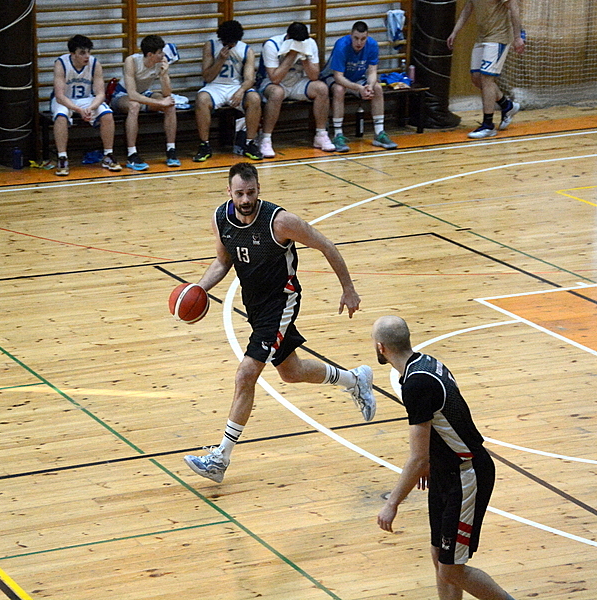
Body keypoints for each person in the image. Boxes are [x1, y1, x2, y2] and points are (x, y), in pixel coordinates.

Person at [183, 162, 375, 483]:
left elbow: (326, 245)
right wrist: (198, 290)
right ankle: (355, 380)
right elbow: (222, 262)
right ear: (229, 192)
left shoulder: (280, 221)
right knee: (291, 372)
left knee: (246, 374)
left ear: (259, 189)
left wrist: (348, 289)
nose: (246, 199)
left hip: (281, 301)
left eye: (251, 192)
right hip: (255, 305)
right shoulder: (221, 219)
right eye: (239, 193)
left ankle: (220, 458)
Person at [373, 316, 516, 600]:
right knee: (439, 553)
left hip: (467, 475)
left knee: (451, 570)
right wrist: (431, 461)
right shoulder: (425, 363)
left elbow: (417, 458)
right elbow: (443, 422)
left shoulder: (416, 384)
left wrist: (392, 504)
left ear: (381, 347)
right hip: (445, 471)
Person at [447, 0, 525, 139]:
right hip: (482, 37)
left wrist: (518, 37)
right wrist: (455, 31)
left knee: (486, 79)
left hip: (498, 37)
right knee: (477, 79)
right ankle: (507, 105)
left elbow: (514, 7)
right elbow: (467, 9)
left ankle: (488, 125)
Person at [256, 22, 335, 158]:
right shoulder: (272, 45)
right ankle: (266, 139)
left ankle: (321, 134)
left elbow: (314, 76)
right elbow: (275, 78)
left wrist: (304, 57)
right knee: (277, 93)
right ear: (288, 37)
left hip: (297, 81)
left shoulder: (310, 43)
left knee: (321, 88)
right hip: (272, 83)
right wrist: (292, 54)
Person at [320, 21, 397, 152]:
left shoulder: (372, 45)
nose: (359, 42)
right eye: (356, 38)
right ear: (351, 35)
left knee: (377, 88)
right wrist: (359, 88)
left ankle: (379, 133)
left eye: (363, 39)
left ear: (367, 37)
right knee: (339, 89)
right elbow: (338, 77)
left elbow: (372, 72)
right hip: (333, 77)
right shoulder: (341, 45)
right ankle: (338, 134)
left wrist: (369, 86)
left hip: (356, 78)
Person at [192, 20, 262, 162]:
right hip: (215, 86)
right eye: (226, 42)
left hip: (235, 87)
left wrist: (241, 91)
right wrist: (219, 60)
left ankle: (249, 143)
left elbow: (249, 79)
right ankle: (204, 145)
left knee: (255, 98)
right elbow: (207, 77)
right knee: (201, 99)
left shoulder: (246, 50)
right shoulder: (211, 46)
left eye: (232, 43)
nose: (229, 45)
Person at [51, 35, 121, 176]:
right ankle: (62, 157)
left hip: (86, 99)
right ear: (72, 54)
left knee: (107, 114)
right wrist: (78, 110)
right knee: (61, 116)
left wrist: (91, 108)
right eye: (82, 53)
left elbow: (100, 94)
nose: (87, 56)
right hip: (65, 99)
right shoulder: (61, 63)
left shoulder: (95, 64)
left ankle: (108, 155)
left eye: (88, 52)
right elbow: (59, 95)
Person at [110, 35, 180, 170]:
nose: (163, 55)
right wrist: (159, 103)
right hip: (122, 95)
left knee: (170, 104)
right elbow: (132, 94)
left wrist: (164, 75)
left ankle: (171, 150)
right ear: (150, 54)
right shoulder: (132, 61)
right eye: (160, 52)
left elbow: (167, 94)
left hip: (144, 93)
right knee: (134, 105)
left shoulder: (161, 62)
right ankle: (132, 154)